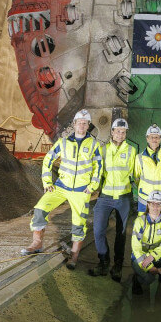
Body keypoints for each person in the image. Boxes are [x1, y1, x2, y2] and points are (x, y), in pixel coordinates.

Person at [21, 109, 102, 270]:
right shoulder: (63, 142)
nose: (82, 125)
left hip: (81, 191)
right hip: (60, 187)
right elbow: (48, 160)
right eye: (79, 122)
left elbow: (98, 167)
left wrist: (92, 187)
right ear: (74, 124)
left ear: (88, 125)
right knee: (40, 209)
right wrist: (47, 182)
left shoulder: (93, 144)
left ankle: (74, 256)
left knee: (79, 224)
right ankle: (37, 243)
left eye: (85, 123)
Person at [88, 118, 137, 281]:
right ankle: (103, 262)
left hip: (124, 197)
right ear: (112, 132)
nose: (120, 135)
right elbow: (97, 172)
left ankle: (117, 265)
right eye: (118, 131)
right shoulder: (102, 150)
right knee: (98, 231)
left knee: (121, 234)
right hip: (105, 197)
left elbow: (135, 174)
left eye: (123, 132)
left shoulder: (131, 151)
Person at [133, 124, 161, 213]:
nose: (154, 140)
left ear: (160, 139)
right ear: (147, 138)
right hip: (145, 198)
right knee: (143, 223)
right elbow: (137, 178)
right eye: (151, 137)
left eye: (156, 137)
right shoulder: (139, 157)